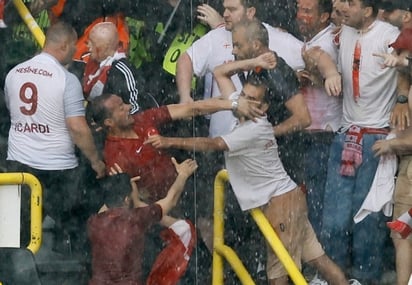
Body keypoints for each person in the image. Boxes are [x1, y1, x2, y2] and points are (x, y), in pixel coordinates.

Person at [146, 52, 349, 285]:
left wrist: (168, 141)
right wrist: (254, 63)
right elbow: (220, 72)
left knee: (278, 274)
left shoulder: (254, 128)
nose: (243, 101)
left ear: (263, 108)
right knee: (318, 260)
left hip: (281, 204)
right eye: (242, 95)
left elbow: (214, 144)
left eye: (251, 99)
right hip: (288, 198)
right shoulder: (242, 107)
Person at [4, 21, 105, 253]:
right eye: (73, 48)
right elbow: (77, 127)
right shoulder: (66, 79)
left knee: (16, 236)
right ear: (64, 45)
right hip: (58, 171)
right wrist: (95, 161)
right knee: (70, 233)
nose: (75, 52)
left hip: (19, 167)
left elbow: (14, 113)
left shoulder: (14, 74)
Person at [319, 0, 402, 283]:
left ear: (367, 11)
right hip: (345, 136)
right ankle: (334, 277)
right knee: (333, 218)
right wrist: (329, 70)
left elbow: (407, 63)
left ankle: (366, 279)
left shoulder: (390, 35)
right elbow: (314, 52)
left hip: (376, 139)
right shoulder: (344, 30)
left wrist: (401, 98)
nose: (341, 6)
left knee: (368, 219)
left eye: (350, 2)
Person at [88, 158, 198, 285]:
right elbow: (171, 200)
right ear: (126, 199)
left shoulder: (94, 222)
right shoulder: (136, 219)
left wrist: (118, 183)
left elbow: (106, 206)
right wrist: (183, 175)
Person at [295, 0, 342, 240]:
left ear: (324, 16)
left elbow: (319, 57)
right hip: (310, 134)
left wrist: (328, 74)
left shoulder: (325, 42)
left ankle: (320, 266)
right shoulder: (311, 40)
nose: (300, 15)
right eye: (299, 9)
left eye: (307, 11)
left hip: (324, 135)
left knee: (318, 203)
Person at [83, 21, 157, 114]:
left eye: (92, 43)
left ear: (105, 48)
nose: (88, 47)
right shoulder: (92, 65)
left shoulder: (122, 71)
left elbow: (136, 107)